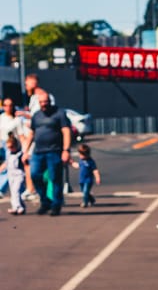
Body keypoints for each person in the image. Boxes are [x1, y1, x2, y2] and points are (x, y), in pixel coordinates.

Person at [21, 88, 71, 216]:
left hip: (54, 151)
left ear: (50, 101)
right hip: (38, 151)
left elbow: (66, 131)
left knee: (55, 178)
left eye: (45, 101)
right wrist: (25, 151)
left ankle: (56, 205)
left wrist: (66, 150)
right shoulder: (37, 115)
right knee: (35, 175)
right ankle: (45, 201)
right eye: (41, 102)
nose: (43, 104)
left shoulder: (59, 113)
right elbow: (32, 133)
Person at [1, 134, 25, 213]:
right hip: (11, 175)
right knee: (13, 191)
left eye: (11, 147)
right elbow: (6, 163)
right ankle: (21, 206)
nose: (10, 149)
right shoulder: (8, 153)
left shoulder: (20, 154)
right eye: (8, 147)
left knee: (16, 190)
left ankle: (17, 207)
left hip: (19, 174)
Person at [72, 142, 100, 207]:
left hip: (88, 180)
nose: (81, 156)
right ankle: (91, 199)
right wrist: (72, 163)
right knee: (84, 191)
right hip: (82, 179)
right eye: (80, 154)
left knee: (85, 191)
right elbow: (77, 165)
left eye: (82, 155)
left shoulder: (90, 161)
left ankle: (85, 202)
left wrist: (97, 177)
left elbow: (95, 170)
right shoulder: (81, 161)